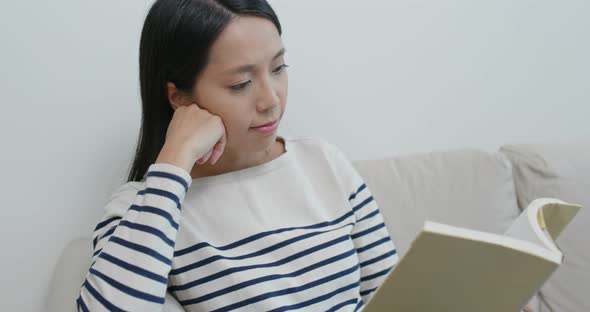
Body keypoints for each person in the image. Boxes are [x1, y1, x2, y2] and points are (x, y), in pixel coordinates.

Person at [76, 0, 398, 311]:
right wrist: (175, 159)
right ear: (178, 98)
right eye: (241, 83)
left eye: (278, 68)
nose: (271, 100)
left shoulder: (324, 162)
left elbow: (397, 297)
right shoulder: (145, 209)